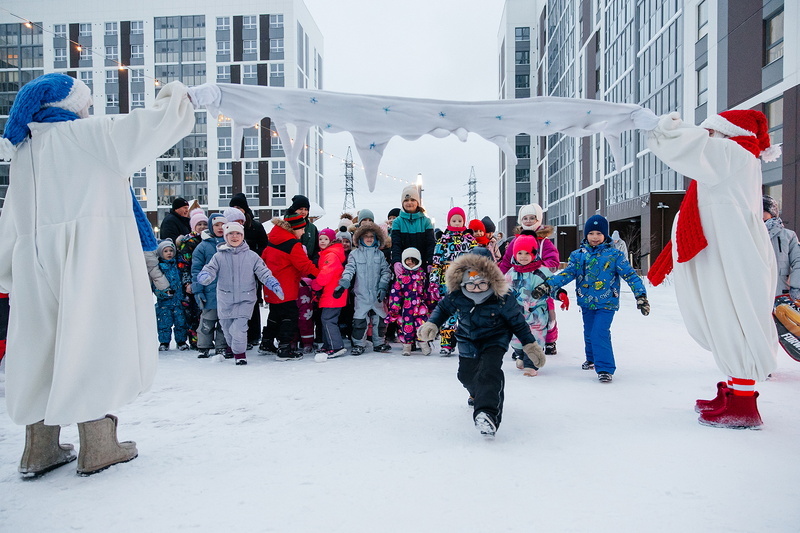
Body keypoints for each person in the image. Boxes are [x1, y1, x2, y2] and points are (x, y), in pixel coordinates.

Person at [0, 73, 199, 476]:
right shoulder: (87, 135)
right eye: (86, 103)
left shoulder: (25, 151)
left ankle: (39, 449)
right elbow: (155, 124)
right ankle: (98, 446)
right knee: (91, 342)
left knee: (42, 348)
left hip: (34, 268)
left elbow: (10, 221)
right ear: (74, 106)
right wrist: (181, 95)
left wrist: (11, 272)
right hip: (90, 261)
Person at [643, 110, 781, 428]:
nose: (708, 138)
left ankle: (743, 404)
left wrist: (661, 125)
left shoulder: (733, 152)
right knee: (729, 311)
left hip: (728, 246)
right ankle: (734, 393)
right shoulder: (739, 157)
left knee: (731, 311)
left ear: (724, 132)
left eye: (711, 133)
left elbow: (683, 144)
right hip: (727, 243)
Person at [417, 251, 545, 437]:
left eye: (482, 283)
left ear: (491, 280)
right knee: (465, 375)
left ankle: (487, 414)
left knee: (489, 373)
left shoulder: (503, 297)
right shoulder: (457, 295)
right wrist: (433, 323)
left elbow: (518, 323)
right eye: (471, 284)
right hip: (468, 338)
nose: (476, 288)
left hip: (495, 338)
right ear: (463, 282)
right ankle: (478, 393)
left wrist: (530, 345)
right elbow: (443, 308)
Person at [534, 215, 649, 383]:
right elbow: (566, 274)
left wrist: (641, 296)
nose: (595, 237)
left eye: (599, 233)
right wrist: (548, 286)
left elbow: (631, 276)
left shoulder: (614, 255)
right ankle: (592, 359)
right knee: (589, 331)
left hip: (607, 302)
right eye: (591, 233)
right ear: (586, 235)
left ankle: (605, 368)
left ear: (605, 235)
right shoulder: (578, 255)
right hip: (586, 301)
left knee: (599, 332)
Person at [197, 222, 283, 365]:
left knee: (239, 329)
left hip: (246, 298)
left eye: (238, 234)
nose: (234, 236)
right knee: (227, 328)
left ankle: (240, 354)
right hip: (225, 298)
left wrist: (273, 283)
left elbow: (263, 272)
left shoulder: (252, 256)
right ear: (226, 236)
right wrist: (205, 275)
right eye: (231, 234)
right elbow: (210, 269)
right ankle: (232, 347)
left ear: (243, 236)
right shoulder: (219, 256)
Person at [498, 204, 563, 355]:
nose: (528, 221)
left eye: (532, 218)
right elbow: (507, 261)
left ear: (538, 219)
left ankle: (549, 341)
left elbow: (553, 260)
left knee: (547, 317)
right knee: (519, 316)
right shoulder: (516, 241)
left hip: (539, 285)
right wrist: (499, 277)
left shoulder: (544, 242)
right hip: (520, 285)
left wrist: (539, 269)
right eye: (525, 218)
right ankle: (521, 346)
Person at [260, 211, 319, 360]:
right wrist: (320, 274)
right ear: (294, 228)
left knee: (274, 315)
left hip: (271, 286)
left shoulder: (273, 239)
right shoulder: (292, 244)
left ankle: (266, 343)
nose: (304, 231)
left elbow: (264, 259)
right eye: (302, 228)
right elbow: (304, 265)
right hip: (286, 288)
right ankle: (285, 348)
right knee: (290, 316)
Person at [334, 222, 392, 354]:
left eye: (372, 236)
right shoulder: (355, 255)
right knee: (359, 320)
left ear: (377, 238)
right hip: (362, 294)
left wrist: (383, 286)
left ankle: (379, 342)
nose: (369, 238)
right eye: (366, 236)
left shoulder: (380, 255)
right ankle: (359, 344)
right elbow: (349, 269)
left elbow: (386, 271)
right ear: (360, 238)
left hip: (377, 294)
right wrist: (344, 282)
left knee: (380, 319)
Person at [505, 236, 555, 377]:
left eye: (527, 253)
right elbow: (504, 290)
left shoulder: (542, 272)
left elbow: (553, 285)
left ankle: (531, 365)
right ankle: (521, 354)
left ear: (534, 253)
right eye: (520, 253)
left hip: (536, 315)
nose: (523, 257)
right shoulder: (512, 273)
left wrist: (560, 294)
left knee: (535, 340)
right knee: (516, 341)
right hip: (517, 315)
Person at [430, 207, 477, 355]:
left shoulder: (469, 239)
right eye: (454, 220)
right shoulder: (443, 239)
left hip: (466, 279)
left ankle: (468, 343)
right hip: (447, 279)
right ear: (449, 221)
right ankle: (446, 343)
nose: (457, 223)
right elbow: (436, 260)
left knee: (467, 312)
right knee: (449, 312)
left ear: (464, 221)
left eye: (460, 220)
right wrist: (434, 279)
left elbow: (477, 259)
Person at [228, 194, 269, 349]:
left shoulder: (255, 226)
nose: (237, 211)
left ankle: (253, 336)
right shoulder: (227, 227)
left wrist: (250, 255)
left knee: (251, 302)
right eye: (234, 208)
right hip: (231, 271)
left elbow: (264, 246)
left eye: (240, 208)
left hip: (251, 270)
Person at [191, 213, 230, 358]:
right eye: (216, 225)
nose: (220, 228)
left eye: (223, 225)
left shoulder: (231, 243)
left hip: (227, 291)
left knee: (224, 322)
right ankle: (204, 345)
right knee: (207, 321)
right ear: (210, 227)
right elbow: (196, 270)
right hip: (210, 291)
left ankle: (221, 345)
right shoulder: (203, 246)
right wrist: (198, 289)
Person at [386, 248, 434, 355]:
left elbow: (427, 291)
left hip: (420, 307)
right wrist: (395, 307)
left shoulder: (422, 276)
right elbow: (396, 293)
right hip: (406, 308)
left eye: (413, 260)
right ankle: (406, 346)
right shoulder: (401, 277)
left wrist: (430, 305)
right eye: (407, 260)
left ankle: (424, 345)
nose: (410, 262)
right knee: (406, 327)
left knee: (421, 326)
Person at [312, 229, 349, 361]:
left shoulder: (331, 255)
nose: (322, 241)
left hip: (333, 293)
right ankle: (328, 344)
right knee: (326, 319)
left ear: (331, 241)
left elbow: (326, 273)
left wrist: (316, 284)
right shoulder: (327, 253)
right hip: (330, 293)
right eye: (321, 239)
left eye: (325, 239)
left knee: (328, 319)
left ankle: (336, 345)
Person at [176, 208, 208, 349]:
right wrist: (187, 282)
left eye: (204, 224)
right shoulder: (189, 241)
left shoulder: (209, 239)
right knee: (193, 313)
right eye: (199, 224)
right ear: (193, 226)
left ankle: (205, 339)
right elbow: (184, 265)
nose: (202, 227)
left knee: (204, 312)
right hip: (192, 281)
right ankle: (194, 340)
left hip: (207, 281)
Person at [153, 239, 189, 351]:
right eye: (166, 251)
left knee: (181, 322)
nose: (169, 253)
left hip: (179, 300)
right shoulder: (159, 268)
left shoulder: (178, 266)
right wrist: (162, 293)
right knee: (164, 323)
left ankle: (181, 341)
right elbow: (155, 285)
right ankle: (164, 342)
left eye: (171, 251)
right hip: (165, 302)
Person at [763, 195, 800, 300]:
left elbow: (798, 260)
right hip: (754, 292)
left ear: (771, 212)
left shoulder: (788, 235)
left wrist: (796, 287)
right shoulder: (749, 233)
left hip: (779, 293)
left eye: (763, 210)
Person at [391, 185, 436, 269]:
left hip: (422, 265)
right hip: (404, 265)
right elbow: (396, 244)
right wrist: (396, 261)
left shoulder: (426, 221)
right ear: (402, 203)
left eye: (412, 200)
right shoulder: (397, 222)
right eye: (406, 200)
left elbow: (430, 244)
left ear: (417, 202)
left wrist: (430, 261)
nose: (409, 203)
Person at [287, 194, 319, 261]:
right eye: (300, 209)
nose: (303, 212)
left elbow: (316, 249)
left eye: (306, 209)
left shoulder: (312, 228)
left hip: (309, 265)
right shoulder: (286, 226)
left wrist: (314, 262)